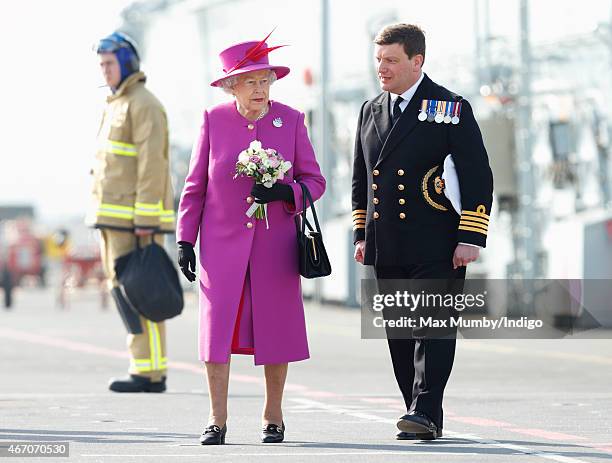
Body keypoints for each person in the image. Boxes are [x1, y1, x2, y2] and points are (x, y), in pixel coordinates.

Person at [175, 33, 326, 445]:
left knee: (276, 328)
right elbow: (195, 188)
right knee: (215, 330)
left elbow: (315, 181)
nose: (260, 89)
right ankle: (216, 418)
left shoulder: (291, 120)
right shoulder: (213, 120)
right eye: (251, 81)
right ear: (231, 86)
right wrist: (185, 240)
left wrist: (286, 192)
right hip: (220, 246)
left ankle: (273, 415)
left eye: (265, 81)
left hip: (275, 245)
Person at [351, 24, 493, 440]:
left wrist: (471, 236)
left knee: (432, 327)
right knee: (398, 331)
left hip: (438, 240)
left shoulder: (450, 107)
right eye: (379, 60)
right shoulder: (370, 110)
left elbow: (477, 176)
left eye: (391, 60)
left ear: (417, 61)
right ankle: (416, 407)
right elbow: (361, 179)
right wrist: (362, 235)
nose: (383, 68)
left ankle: (425, 410)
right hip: (387, 240)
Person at [89, 31, 175, 393]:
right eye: (101, 65)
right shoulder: (116, 103)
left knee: (144, 291)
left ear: (126, 63)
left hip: (134, 221)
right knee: (125, 292)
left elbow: (152, 165)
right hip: (112, 218)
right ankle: (142, 366)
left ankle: (151, 374)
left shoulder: (143, 104)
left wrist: (145, 221)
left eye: (109, 64)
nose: (105, 71)